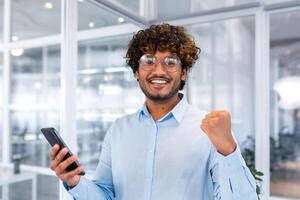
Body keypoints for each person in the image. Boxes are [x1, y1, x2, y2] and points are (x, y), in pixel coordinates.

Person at [50, 23, 258, 200]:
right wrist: (75, 182)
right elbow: (106, 194)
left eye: (170, 62)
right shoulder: (119, 130)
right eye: (148, 61)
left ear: (184, 72)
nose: (159, 71)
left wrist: (228, 151)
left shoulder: (210, 129)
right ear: (136, 72)